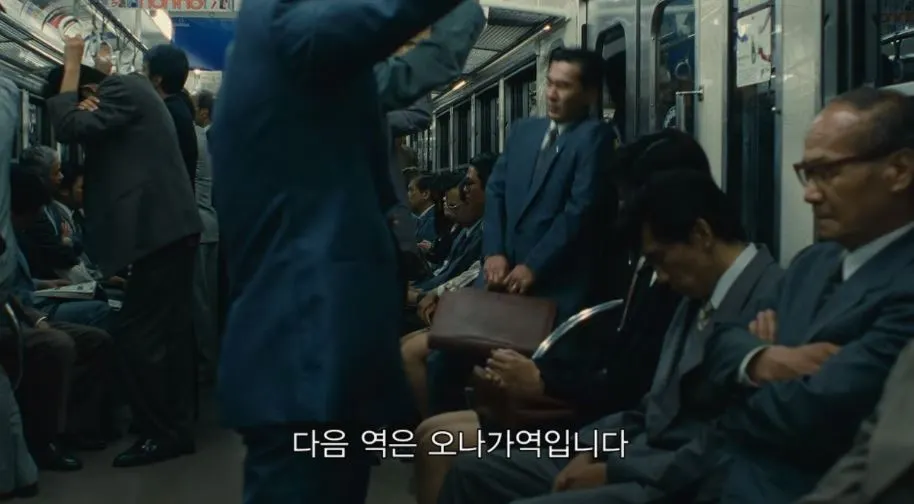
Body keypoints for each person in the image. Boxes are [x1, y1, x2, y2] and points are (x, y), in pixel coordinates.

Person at [211, 1, 476, 503]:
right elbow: (389, 15)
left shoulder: (323, 79)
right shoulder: (285, 25)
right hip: (307, 359)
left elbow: (422, 67)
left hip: (329, 359)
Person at [707, 87, 914, 503]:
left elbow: (816, 416)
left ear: (899, 170)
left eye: (828, 173)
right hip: (716, 473)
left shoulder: (905, 286)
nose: (810, 194)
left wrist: (736, 386)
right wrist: (761, 359)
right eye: (808, 174)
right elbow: (717, 342)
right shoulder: (811, 263)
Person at [45, 36, 203, 467]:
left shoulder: (122, 88)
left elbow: (67, 127)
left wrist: (72, 62)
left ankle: (160, 433)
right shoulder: (133, 95)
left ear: (85, 89)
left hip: (159, 233)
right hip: (169, 231)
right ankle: (174, 429)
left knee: (138, 335)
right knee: (166, 333)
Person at [481, 47, 614, 323]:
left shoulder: (594, 138)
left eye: (563, 86)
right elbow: (495, 191)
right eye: (550, 83)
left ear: (590, 94)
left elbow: (579, 210)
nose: (551, 94)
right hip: (502, 276)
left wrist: (533, 265)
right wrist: (494, 251)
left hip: (554, 284)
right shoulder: (522, 131)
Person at [144, 44, 198, 191]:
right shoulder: (180, 108)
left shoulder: (164, 114)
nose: (141, 76)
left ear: (157, 79)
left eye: (144, 70)